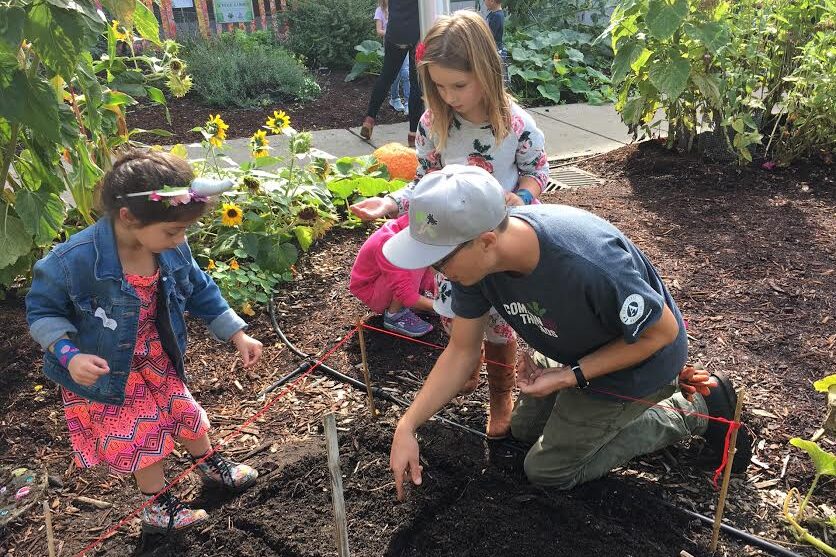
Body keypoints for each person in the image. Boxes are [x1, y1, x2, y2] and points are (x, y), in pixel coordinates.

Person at [382, 165, 751, 500]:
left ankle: (695, 409)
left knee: (547, 471)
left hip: (637, 363)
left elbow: (661, 334)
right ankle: (574, 389)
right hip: (573, 350)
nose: (436, 272)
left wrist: (569, 377)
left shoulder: (587, 262)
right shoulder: (473, 267)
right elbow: (462, 351)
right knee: (524, 431)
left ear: (486, 241)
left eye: (440, 260)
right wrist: (408, 424)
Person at [25, 150, 263, 534]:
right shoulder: (73, 260)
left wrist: (236, 332)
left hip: (153, 353)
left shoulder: (170, 249)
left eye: (184, 230)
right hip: (102, 370)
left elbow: (200, 288)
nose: (180, 239)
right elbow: (42, 312)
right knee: (139, 431)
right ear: (129, 217)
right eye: (173, 231)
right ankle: (157, 506)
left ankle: (209, 463)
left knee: (183, 409)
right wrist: (69, 355)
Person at [350, 10, 550, 439]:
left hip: (492, 245)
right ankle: (465, 368)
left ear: (486, 70)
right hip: (448, 247)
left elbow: (537, 171)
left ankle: (500, 398)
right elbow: (423, 182)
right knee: (456, 317)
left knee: (497, 329)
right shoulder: (432, 123)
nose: (450, 95)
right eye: (439, 86)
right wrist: (390, 202)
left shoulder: (516, 126)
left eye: (458, 84)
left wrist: (525, 196)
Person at [349, 214, 436, 337]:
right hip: (370, 290)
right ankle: (395, 315)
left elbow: (428, 270)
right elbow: (404, 292)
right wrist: (440, 307)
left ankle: (415, 304)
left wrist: (439, 293)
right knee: (410, 263)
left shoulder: (409, 232)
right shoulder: (388, 244)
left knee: (421, 259)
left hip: (388, 282)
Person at [360, 0, 422, 146]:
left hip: (394, 33)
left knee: (385, 77)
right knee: (416, 83)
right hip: (415, 34)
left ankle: (369, 120)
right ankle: (413, 134)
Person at [374, 0, 411, 116]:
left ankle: (408, 103)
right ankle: (394, 99)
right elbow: (379, 31)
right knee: (395, 74)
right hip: (390, 45)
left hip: (404, 43)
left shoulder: (400, 9)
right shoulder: (379, 11)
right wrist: (392, 32)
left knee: (405, 72)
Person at [483, 0, 509, 86]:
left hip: (495, 49)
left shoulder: (497, 16)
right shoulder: (492, 14)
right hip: (492, 48)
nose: (484, 2)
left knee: (496, 76)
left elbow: (490, 35)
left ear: (492, 1)